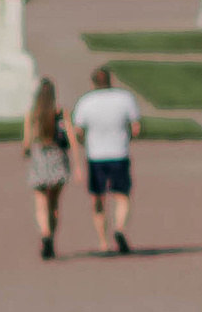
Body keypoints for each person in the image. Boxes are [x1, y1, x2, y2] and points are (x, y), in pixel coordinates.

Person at [70, 63, 144, 256]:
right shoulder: (124, 98)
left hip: (96, 156)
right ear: (110, 80)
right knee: (122, 196)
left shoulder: (86, 102)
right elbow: (136, 128)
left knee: (98, 199)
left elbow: (78, 131)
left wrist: (85, 140)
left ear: (93, 83)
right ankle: (119, 228)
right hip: (119, 153)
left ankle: (103, 242)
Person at [22, 78, 72, 261]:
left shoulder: (32, 114)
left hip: (40, 158)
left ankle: (45, 233)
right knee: (54, 205)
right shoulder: (59, 112)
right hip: (57, 159)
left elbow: (26, 144)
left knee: (41, 203)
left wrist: (26, 151)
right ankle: (52, 237)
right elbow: (70, 138)